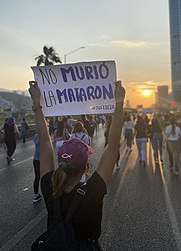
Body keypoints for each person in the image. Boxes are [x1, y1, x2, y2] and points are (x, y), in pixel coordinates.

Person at [28, 80, 125, 249]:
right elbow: (114, 142)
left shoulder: (50, 187)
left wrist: (37, 104)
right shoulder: (92, 191)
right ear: (86, 166)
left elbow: (44, 142)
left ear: (60, 162)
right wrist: (119, 102)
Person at [33, 133, 42, 203]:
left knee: (37, 177)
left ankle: (36, 194)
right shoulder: (44, 135)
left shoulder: (36, 135)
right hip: (43, 159)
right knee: (47, 177)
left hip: (36, 159)